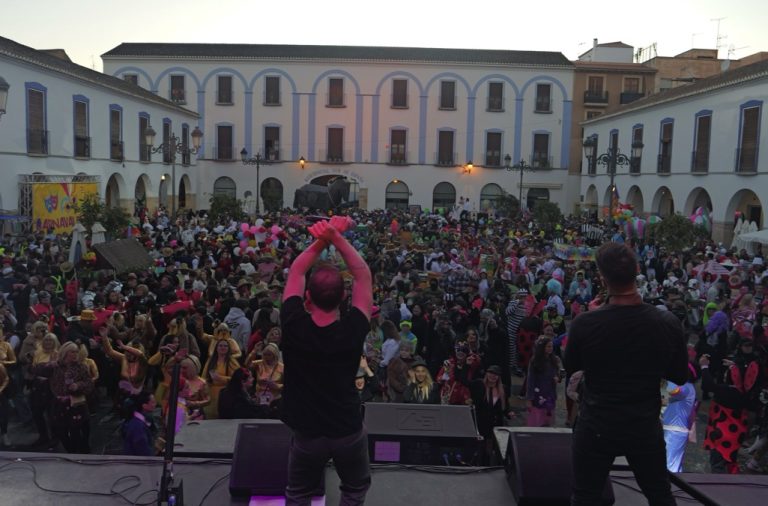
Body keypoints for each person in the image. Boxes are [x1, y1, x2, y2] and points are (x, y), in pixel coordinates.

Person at [564, 242, 688, 506]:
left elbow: (572, 365)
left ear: (602, 278)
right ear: (638, 271)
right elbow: (679, 374)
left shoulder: (585, 323)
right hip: (642, 424)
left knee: (585, 496)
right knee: (659, 495)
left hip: (597, 423)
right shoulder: (666, 322)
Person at [280, 216, 372, 506]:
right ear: (344, 297)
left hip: (307, 431)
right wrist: (337, 236)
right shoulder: (354, 328)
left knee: (298, 493)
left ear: (307, 297)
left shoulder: (293, 323)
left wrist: (322, 239)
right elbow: (363, 275)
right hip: (346, 427)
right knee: (354, 490)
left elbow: (296, 270)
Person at [122, 391, 157, 456]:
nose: (155, 404)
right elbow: (144, 452)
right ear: (144, 406)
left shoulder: (139, 420)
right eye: (153, 402)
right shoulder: (138, 426)